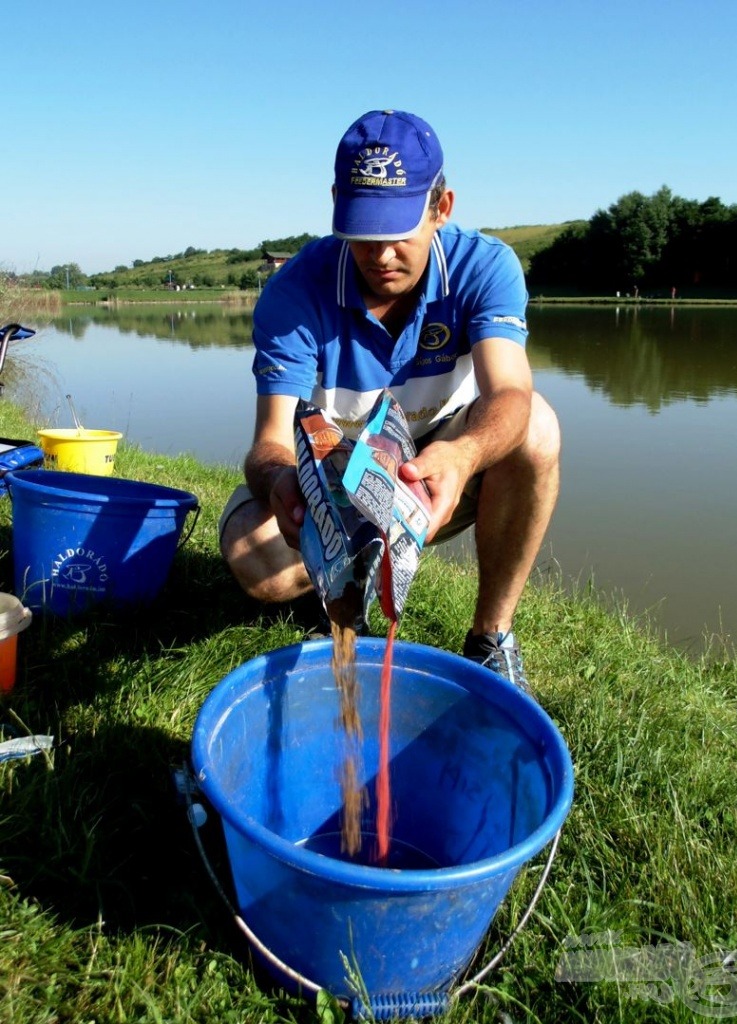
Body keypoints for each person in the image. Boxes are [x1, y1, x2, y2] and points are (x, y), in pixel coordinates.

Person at [219, 109, 560, 691]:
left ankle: (490, 638)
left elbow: (511, 395)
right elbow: (270, 443)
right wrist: (281, 485)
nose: (380, 254)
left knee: (538, 431)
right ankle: (338, 581)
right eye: (363, 231)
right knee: (254, 561)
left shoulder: (486, 266)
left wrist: (462, 458)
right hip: (333, 478)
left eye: (398, 229)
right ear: (335, 204)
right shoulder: (294, 291)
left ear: (442, 207)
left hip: (434, 469)